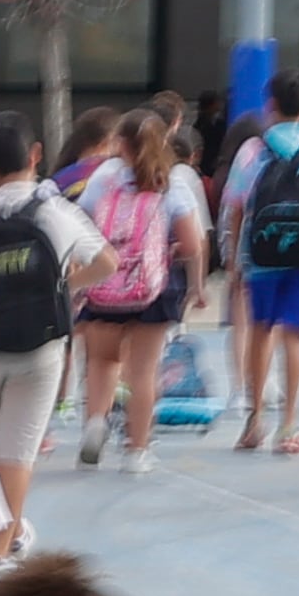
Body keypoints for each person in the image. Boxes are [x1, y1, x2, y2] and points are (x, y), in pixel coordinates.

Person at [0, 117, 102, 552]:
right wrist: (66, 284)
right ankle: (1, 546)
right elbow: (106, 260)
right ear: (34, 154)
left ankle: (1, 534)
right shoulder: (56, 212)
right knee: (20, 451)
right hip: (41, 343)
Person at [220, 88, 299, 459]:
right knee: (294, 338)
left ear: (270, 105)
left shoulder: (253, 149)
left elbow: (235, 206)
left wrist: (236, 258)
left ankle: (254, 420)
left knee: (260, 333)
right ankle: (289, 425)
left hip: (260, 257)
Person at [69, 114, 190, 479]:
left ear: (121, 143)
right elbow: (192, 241)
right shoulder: (172, 181)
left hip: (105, 284)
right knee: (142, 372)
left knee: (101, 361)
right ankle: (137, 450)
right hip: (151, 288)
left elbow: (82, 224)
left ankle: (95, 421)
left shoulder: (104, 177)